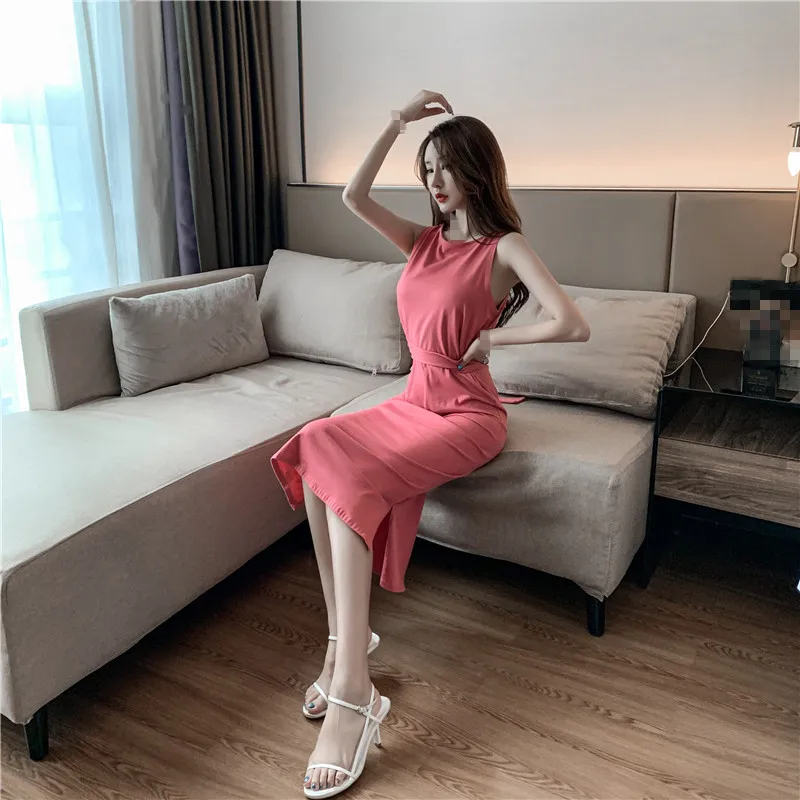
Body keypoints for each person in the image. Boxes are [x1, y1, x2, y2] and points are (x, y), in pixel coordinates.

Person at [270, 89, 591, 798]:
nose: (434, 182)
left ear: (477, 170)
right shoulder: (422, 241)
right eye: (427, 169)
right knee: (317, 441)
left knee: (345, 475)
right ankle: (344, 645)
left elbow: (573, 323)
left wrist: (494, 338)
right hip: (415, 400)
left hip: (467, 414)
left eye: (446, 167)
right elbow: (353, 196)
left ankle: (352, 689)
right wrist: (395, 123)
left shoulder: (503, 248)